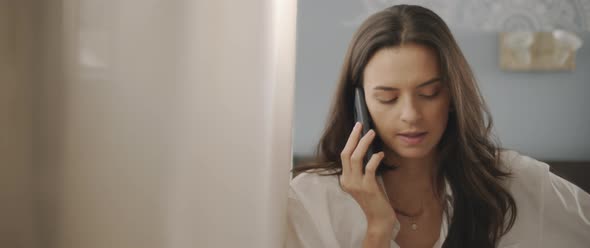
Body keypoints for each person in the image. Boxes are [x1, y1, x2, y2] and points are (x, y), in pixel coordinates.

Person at [285, 4, 590, 248]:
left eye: (429, 93)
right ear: (359, 104)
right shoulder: (312, 201)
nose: (411, 114)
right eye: (388, 98)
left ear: (454, 94)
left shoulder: (514, 181)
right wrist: (378, 229)